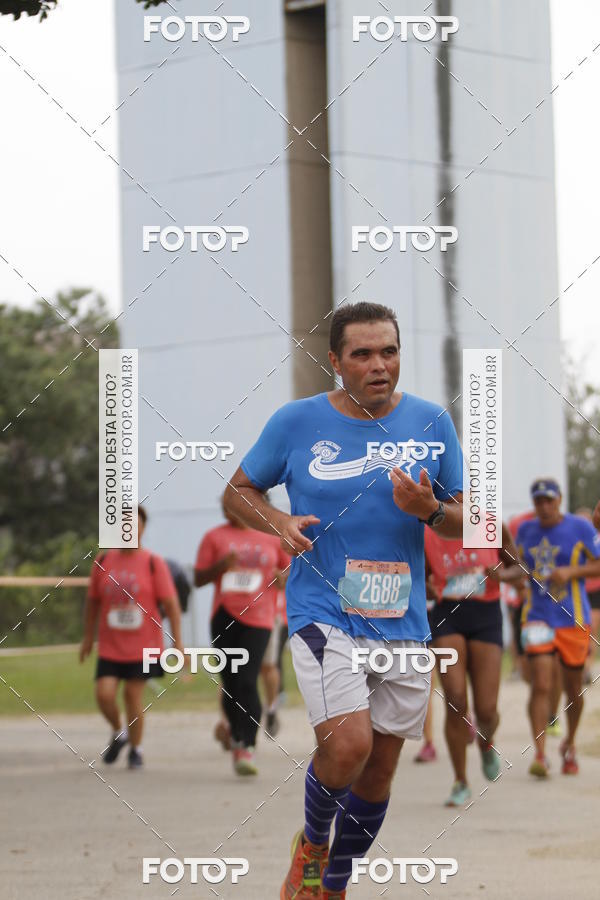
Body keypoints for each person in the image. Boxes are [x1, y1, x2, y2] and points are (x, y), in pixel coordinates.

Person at [224, 301, 465, 900]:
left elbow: (473, 523)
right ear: (335, 362)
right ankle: (311, 846)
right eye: (362, 354)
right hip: (323, 610)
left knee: (380, 767)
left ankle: (332, 884)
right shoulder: (296, 422)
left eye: (389, 351)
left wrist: (431, 511)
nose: (379, 365)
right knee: (348, 745)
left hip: (402, 618)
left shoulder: (433, 422)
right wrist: (275, 520)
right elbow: (238, 492)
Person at [79, 505, 182, 769]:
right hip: (111, 645)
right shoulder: (103, 561)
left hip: (144, 645)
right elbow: (92, 602)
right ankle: (119, 732)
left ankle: (136, 749)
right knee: (104, 694)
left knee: (132, 697)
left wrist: (177, 643)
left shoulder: (152, 562)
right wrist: (88, 637)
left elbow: (171, 606)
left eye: (134, 525)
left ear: (143, 529)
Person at [426, 522, 521, 805]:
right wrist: (428, 587)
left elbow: (521, 569)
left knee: (487, 710)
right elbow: (420, 577)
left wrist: (503, 575)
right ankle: (460, 780)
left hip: (486, 616)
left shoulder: (491, 526)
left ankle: (485, 742)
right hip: (447, 615)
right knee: (455, 699)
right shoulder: (427, 531)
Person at [195, 496, 290, 776]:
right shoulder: (214, 537)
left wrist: (283, 578)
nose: (230, 512)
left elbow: (289, 571)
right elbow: (199, 579)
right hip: (224, 615)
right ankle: (236, 733)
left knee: (248, 680)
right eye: (226, 507)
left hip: (260, 617)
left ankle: (247, 744)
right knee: (230, 682)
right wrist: (221, 565)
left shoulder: (273, 537)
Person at [517, 479, 600, 777]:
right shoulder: (525, 531)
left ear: (560, 500)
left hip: (573, 618)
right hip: (537, 615)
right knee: (540, 683)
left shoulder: (580, 528)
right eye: (539, 501)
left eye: (549, 500)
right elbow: (521, 568)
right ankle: (540, 754)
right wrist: (503, 575)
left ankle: (570, 743)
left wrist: (572, 571)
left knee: (573, 689)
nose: (544, 506)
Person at [261, 588, 289, 737]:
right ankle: (273, 702)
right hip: (267, 615)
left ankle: (274, 701)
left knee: (273, 661)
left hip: (281, 616)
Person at [575, 507, 600, 677]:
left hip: (595, 591)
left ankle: (587, 668)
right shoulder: (571, 541)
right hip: (576, 591)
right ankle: (578, 665)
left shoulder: (596, 540)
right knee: (579, 630)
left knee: (591, 630)